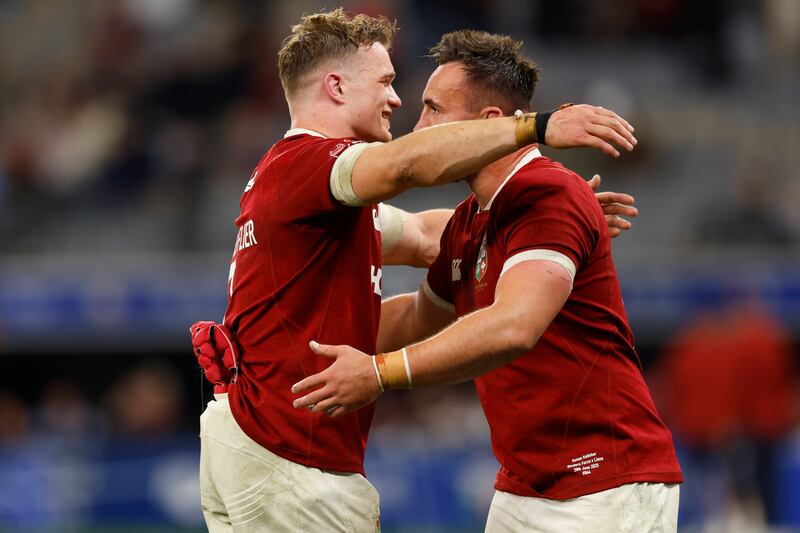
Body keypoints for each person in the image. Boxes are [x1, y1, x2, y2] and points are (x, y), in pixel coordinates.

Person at [197, 9, 638, 532]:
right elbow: (407, 165)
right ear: (336, 87)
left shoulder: (304, 193)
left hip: (252, 438)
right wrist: (535, 128)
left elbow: (434, 237)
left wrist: (545, 214)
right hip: (290, 453)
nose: (397, 100)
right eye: (386, 81)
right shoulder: (313, 164)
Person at [292, 29, 683, 532]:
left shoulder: (549, 194)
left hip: (603, 485)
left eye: (433, 109)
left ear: (490, 123)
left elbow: (512, 327)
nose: (418, 125)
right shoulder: (471, 220)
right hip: (524, 485)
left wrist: (379, 373)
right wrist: (304, 352)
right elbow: (418, 317)